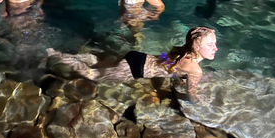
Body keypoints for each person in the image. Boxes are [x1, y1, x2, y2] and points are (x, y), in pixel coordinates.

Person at [57, 26, 217, 101]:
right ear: (196, 45)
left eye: (215, 43)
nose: (215, 48)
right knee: (92, 74)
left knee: (100, 62)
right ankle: (58, 57)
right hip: (134, 69)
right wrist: (199, 101)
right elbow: (191, 94)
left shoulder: (181, 52)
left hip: (137, 57)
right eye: (210, 45)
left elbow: (165, 58)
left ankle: (67, 55)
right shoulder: (196, 70)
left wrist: (175, 74)